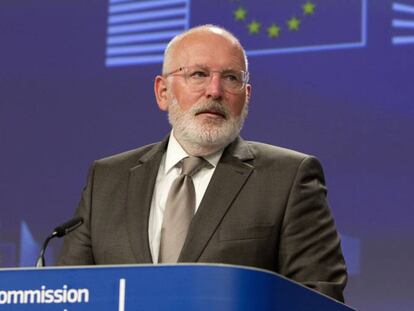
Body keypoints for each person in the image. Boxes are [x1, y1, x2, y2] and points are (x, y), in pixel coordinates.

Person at [58, 25, 347, 301]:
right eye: (198, 74)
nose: (215, 91)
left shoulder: (288, 178)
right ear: (163, 92)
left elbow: (317, 296)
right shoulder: (108, 179)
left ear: (246, 97)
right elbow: (67, 292)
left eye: (232, 78)